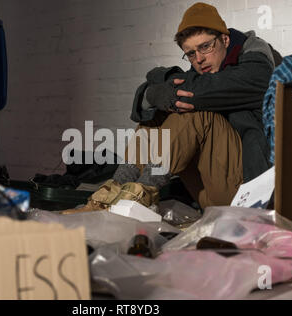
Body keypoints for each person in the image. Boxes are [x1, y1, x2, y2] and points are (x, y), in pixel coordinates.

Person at [62, 2, 280, 214]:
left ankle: (138, 197)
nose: (200, 59)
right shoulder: (205, 71)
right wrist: (154, 94)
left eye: (206, 46)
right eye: (191, 53)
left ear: (225, 39)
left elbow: (255, 81)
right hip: (210, 192)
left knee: (190, 108)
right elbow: (166, 88)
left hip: (251, 193)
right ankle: (111, 194)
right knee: (158, 115)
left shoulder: (255, 58)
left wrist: (159, 85)